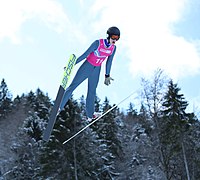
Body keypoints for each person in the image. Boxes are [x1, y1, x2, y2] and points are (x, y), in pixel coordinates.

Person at [59, 26, 120, 120]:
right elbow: (84, 55)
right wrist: (71, 66)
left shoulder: (113, 48)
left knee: (92, 91)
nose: (115, 40)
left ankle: (90, 115)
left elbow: (109, 61)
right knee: (73, 86)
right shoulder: (98, 43)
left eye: (117, 38)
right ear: (109, 36)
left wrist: (107, 75)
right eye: (113, 37)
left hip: (97, 69)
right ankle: (59, 106)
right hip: (88, 66)